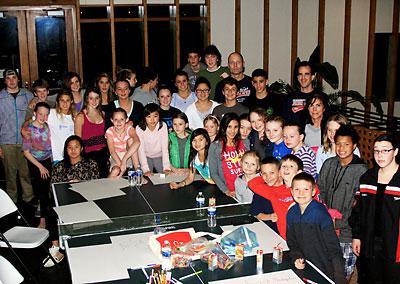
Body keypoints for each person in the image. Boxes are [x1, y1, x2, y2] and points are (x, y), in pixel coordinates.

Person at [318, 124, 367, 280]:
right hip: (325, 227)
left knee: (343, 274)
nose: (341, 148)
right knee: (325, 269)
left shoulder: (361, 170)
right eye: (338, 143)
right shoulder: (329, 164)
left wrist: (339, 224)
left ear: (354, 146)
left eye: (346, 144)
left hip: (347, 232)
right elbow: (320, 191)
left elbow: (358, 206)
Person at [351, 134, 400, 283]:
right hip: (369, 241)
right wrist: (357, 236)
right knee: (368, 278)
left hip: (394, 244)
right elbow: (358, 211)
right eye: (376, 151)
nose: (380, 155)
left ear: (395, 151)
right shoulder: (367, 178)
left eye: (385, 150)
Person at [47, 135, 100, 267]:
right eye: (69, 147)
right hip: (64, 200)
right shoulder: (59, 166)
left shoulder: (91, 164)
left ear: (81, 148)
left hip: (85, 199)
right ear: (66, 150)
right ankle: (56, 249)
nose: (73, 150)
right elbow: (53, 187)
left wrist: (81, 184)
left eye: (76, 147)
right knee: (49, 209)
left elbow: (97, 185)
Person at [286, 172, 346, 284]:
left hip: (324, 267)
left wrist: (339, 277)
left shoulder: (320, 213)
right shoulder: (291, 213)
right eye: (297, 189)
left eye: (306, 190)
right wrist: (297, 257)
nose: (301, 193)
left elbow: (333, 247)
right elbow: (292, 241)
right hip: (306, 266)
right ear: (291, 191)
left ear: (313, 191)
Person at [0, 69, 34, 205]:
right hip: (6, 142)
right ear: (4, 81)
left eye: (14, 77)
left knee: (25, 172)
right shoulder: (0, 97)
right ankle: (11, 202)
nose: (12, 81)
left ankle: (29, 198)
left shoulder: (28, 95)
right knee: (10, 174)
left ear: (18, 79)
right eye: (8, 78)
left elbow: (35, 115)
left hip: (25, 141)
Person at [22, 102, 52, 229]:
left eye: (46, 114)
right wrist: (40, 166)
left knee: (46, 190)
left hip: (48, 160)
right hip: (35, 162)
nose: (43, 117)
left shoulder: (47, 126)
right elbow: (26, 152)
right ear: (35, 113)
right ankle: (43, 219)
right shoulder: (29, 129)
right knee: (42, 191)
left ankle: (45, 213)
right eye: (40, 114)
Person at [249, 157, 291, 238]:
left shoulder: (289, 188)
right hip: (270, 233)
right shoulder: (260, 190)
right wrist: (269, 216)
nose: (268, 177)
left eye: (272, 173)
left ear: (279, 172)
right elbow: (256, 213)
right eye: (264, 173)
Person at [209, 113, 249, 197]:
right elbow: (214, 173)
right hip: (230, 192)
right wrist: (226, 190)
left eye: (236, 127)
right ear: (224, 127)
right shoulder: (215, 146)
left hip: (246, 189)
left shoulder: (245, 142)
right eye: (229, 127)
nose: (232, 131)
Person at [74, 88, 109, 178]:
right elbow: (77, 141)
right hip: (88, 157)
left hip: (103, 155)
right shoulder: (80, 117)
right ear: (86, 99)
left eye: (97, 98)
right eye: (91, 98)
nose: (94, 101)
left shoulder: (103, 114)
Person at [282, 61, 326, 126]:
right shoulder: (289, 98)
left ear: (312, 77)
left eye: (306, 74)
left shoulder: (322, 97)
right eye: (300, 74)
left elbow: (326, 121)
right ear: (297, 77)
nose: (303, 78)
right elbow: (285, 122)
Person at [136, 103, 171, 175]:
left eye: (155, 116)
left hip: (159, 156)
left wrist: (166, 167)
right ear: (144, 117)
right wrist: (145, 169)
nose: (152, 120)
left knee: (167, 175)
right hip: (146, 156)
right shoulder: (139, 128)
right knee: (147, 177)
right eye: (149, 116)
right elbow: (140, 150)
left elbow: (165, 148)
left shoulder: (163, 125)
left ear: (159, 116)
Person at [106, 108, 140, 174]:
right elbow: (112, 152)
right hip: (116, 156)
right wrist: (121, 164)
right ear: (112, 120)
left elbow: (137, 142)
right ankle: (108, 183)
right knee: (116, 171)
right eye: (116, 119)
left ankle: (137, 169)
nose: (119, 122)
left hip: (129, 154)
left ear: (126, 120)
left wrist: (124, 160)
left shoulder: (129, 129)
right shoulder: (109, 131)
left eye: (122, 119)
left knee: (131, 140)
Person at [47, 92, 75, 163]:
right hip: (57, 158)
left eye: (67, 100)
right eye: (62, 100)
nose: (65, 103)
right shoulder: (52, 113)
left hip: (72, 157)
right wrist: (24, 128)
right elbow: (34, 119)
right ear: (58, 102)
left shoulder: (75, 117)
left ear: (71, 101)